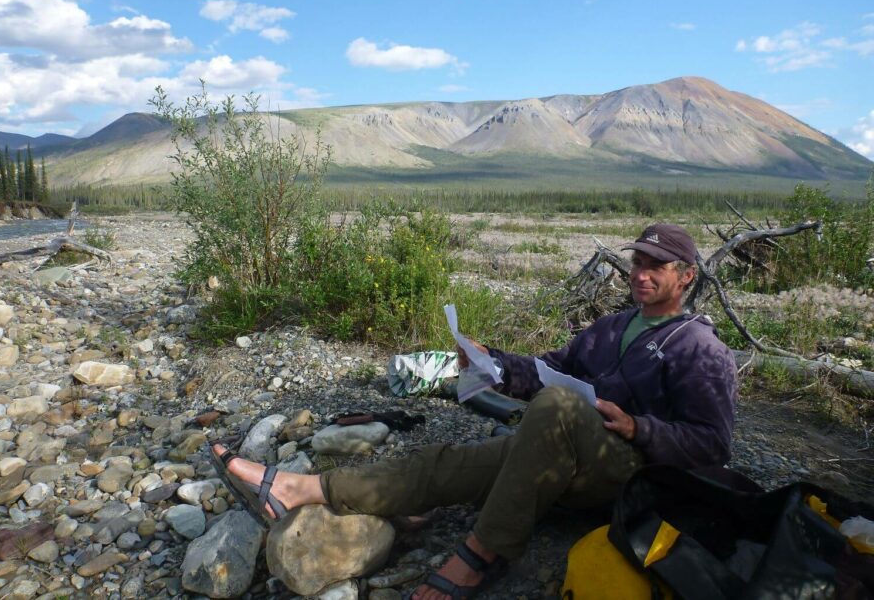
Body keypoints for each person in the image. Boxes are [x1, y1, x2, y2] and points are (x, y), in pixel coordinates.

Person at [213, 223, 737, 600]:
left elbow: (713, 445)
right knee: (449, 463)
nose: (641, 274)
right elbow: (550, 369)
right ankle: (303, 490)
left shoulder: (700, 350)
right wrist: (493, 364)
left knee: (552, 407)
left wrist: (638, 426)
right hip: (561, 457)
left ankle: (484, 550)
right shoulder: (610, 327)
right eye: (638, 263)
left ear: (687, 276)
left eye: (657, 266)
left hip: (629, 476)